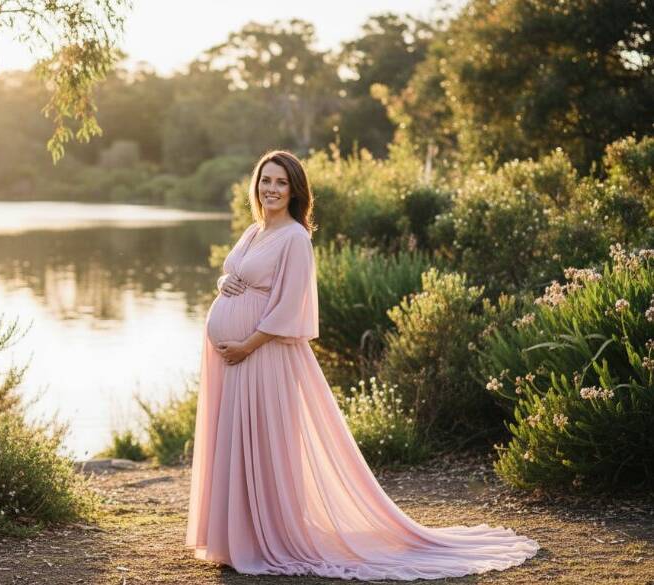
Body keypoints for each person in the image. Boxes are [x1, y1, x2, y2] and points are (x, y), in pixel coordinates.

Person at [185, 150, 539, 580]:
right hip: (232, 359)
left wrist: (245, 344)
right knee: (237, 440)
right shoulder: (254, 230)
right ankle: (235, 536)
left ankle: (264, 537)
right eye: (265, 180)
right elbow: (235, 275)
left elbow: (289, 309)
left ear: (295, 190)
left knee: (263, 443)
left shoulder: (295, 237)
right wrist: (225, 283)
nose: (271, 189)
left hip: (262, 355)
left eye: (280, 182)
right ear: (256, 185)